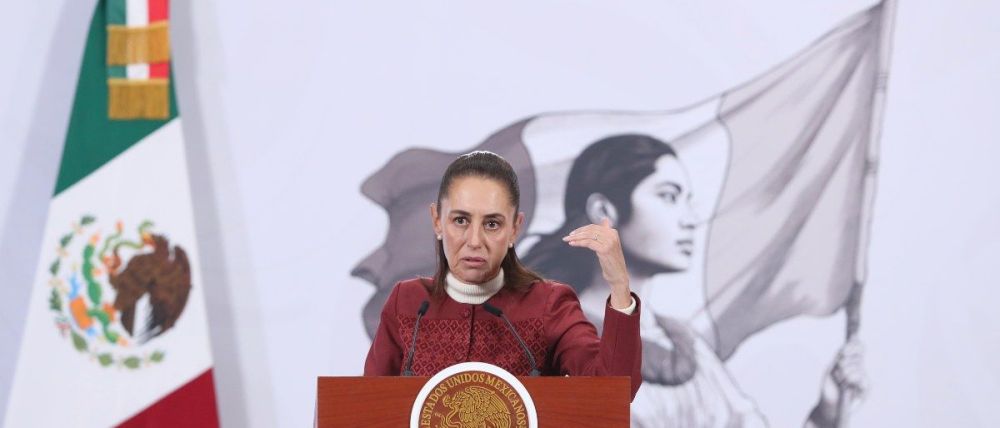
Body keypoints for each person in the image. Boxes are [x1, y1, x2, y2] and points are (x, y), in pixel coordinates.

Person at [522, 134, 866, 427]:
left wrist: (825, 413)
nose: (689, 219)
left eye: (688, 201)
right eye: (668, 196)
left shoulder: (685, 344)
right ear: (604, 213)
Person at [363, 150, 643, 400]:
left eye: (492, 224)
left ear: (514, 229)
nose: (475, 241)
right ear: (437, 221)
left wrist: (619, 286)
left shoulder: (549, 304)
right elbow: (369, 406)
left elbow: (614, 390)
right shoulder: (408, 302)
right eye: (460, 220)